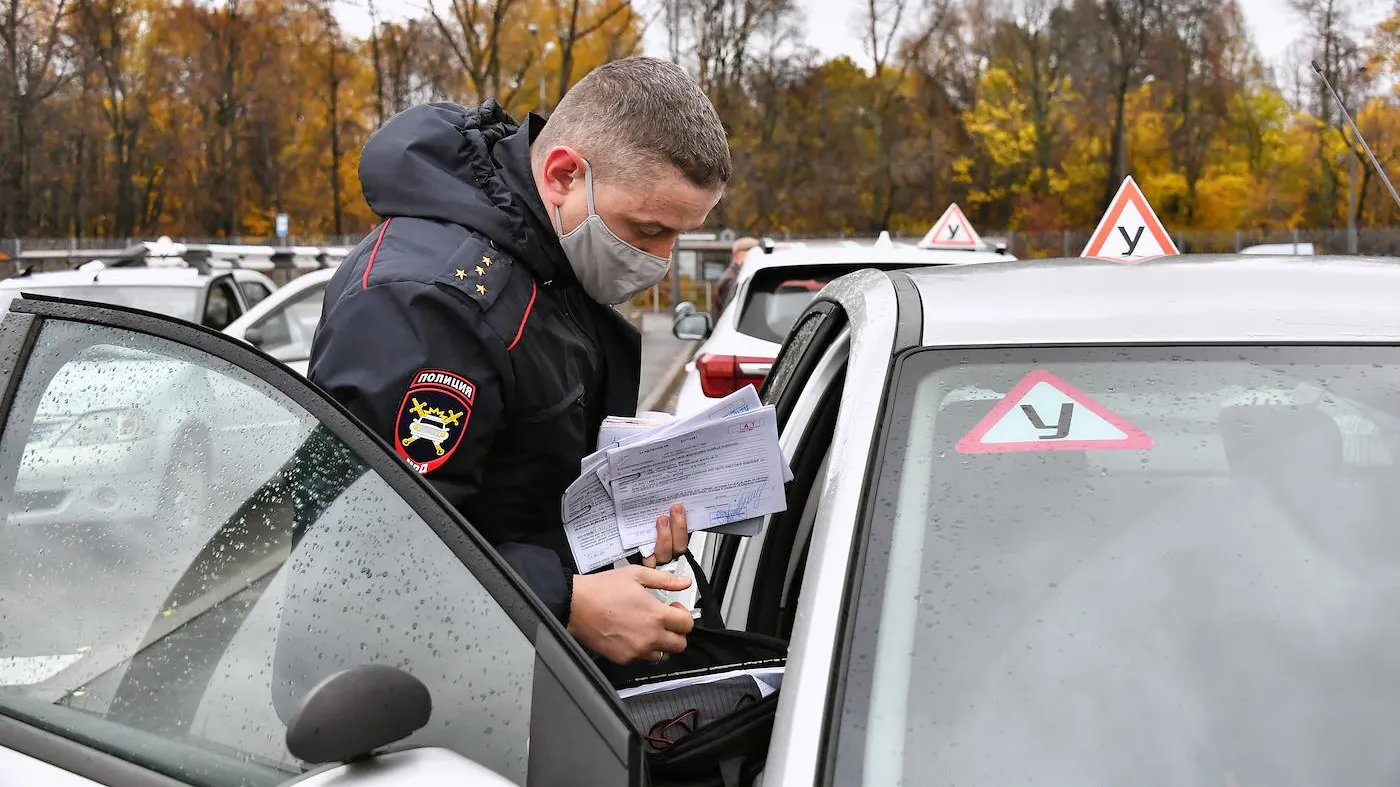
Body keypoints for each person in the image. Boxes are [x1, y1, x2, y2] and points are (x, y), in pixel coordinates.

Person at [308, 57, 732, 665]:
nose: (661, 260)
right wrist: (567, 604)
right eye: (646, 229)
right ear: (562, 175)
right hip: (415, 700)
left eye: (677, 235)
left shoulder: (549, 263)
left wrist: (624, 524)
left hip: (509, 661)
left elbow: (520, 491)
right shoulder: (428, 304)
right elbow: (363, 553)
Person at [710, 236, 759, 322]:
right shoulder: (734, 280)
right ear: (738, 256)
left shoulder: (734, 276)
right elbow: (730, 314)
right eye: (752, 253)